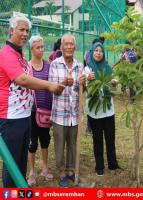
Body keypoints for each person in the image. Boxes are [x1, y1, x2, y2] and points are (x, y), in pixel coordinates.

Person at [0, 14, 65, 188]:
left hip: (24, 117)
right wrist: (50, 85)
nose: (24, 33)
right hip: (11, 119)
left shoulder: (19, 55)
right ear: (11, 30)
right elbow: (22, 80)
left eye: (27, 30)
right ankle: (9, 194)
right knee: (12, 164)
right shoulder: (7, 54)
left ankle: (19, 191)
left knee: (20, 162)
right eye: (21, 29)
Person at [48, 33, 86, 187]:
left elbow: (80, 90)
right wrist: (64, 83)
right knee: (60, 144)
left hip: (74, 114)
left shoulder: (80, 66)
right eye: (66, 44)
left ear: (75, 47)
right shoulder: (55, 64)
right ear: (62, 47)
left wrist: (83, 83)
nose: (69, 47)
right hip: (59, 114)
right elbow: (54, 90)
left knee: (73, 143)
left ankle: (71, 171)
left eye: (72, 44)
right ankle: (61, 172)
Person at [85, 42, 122, 176]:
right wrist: (88, 79)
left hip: (108, 109)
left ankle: (113, 164)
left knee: (110, 138)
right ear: (92, 52)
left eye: (101, 51)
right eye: (96, 50)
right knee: (98, 139)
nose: (98, 53)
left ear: (103, 53)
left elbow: (113, 88)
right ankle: (99, 166)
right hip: (95, 111)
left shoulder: (107, 68)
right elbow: (84, 87)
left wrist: (114, 83)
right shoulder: (88, 69)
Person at [27, 36, 53, 186]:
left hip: (46, 112)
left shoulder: (49, 66)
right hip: (31, 111)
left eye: (42, 47)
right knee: (32, 143)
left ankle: (44, 167)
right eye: (38, 47)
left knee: (45, 140)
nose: (41, 49)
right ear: (31, 49)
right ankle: (31, 171)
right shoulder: (27, 67)